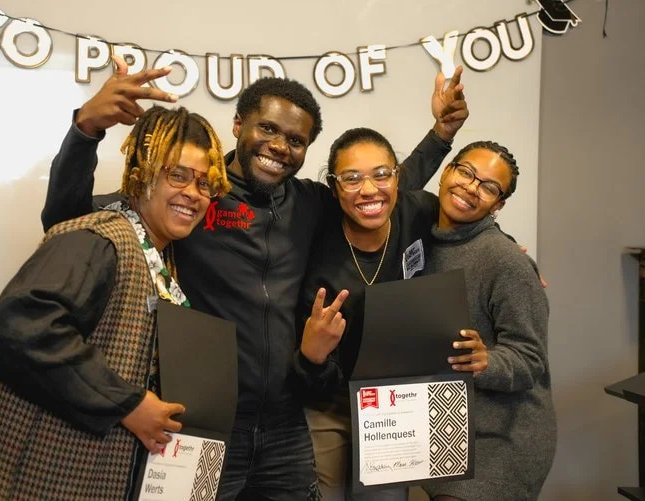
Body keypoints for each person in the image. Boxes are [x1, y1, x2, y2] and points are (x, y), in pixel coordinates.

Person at [40, 56, 468, 499]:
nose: (281, 146)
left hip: (285, 424)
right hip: (202, 423)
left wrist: (444, 144)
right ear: (239, 124)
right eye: (268, 129)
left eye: (297, 140)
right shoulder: (193, 196)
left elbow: (377, 191)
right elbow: (65, 217)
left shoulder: (309, 203)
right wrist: (86, 130)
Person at [0, 104, 231, 500]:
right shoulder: (98, 238)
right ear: (142, 174)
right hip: (20, 484)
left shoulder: (164, 255)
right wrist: (127, 404)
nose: (192, 194)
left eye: (204, 183)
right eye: (177, 175)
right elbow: (25, 329)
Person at [295, 128, 488, 500]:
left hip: (393, 403)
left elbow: (468, 228)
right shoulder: (313, 234)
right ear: (334, 187)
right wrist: (312, 356)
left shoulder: (418, 211)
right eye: (351, 178)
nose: (369, 190)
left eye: (382, 174)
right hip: (326, 402)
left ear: (397, 178)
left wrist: (510, 249)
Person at [422, 141, 556, 501]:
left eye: (489, 187)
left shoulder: (505, 260)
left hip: (501, 437)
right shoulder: (416, 240)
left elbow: (531, 357)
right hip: (445, 431)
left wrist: (488, 361)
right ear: (447, 171)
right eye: (466, 172)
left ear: (498, 205)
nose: (471, 187)